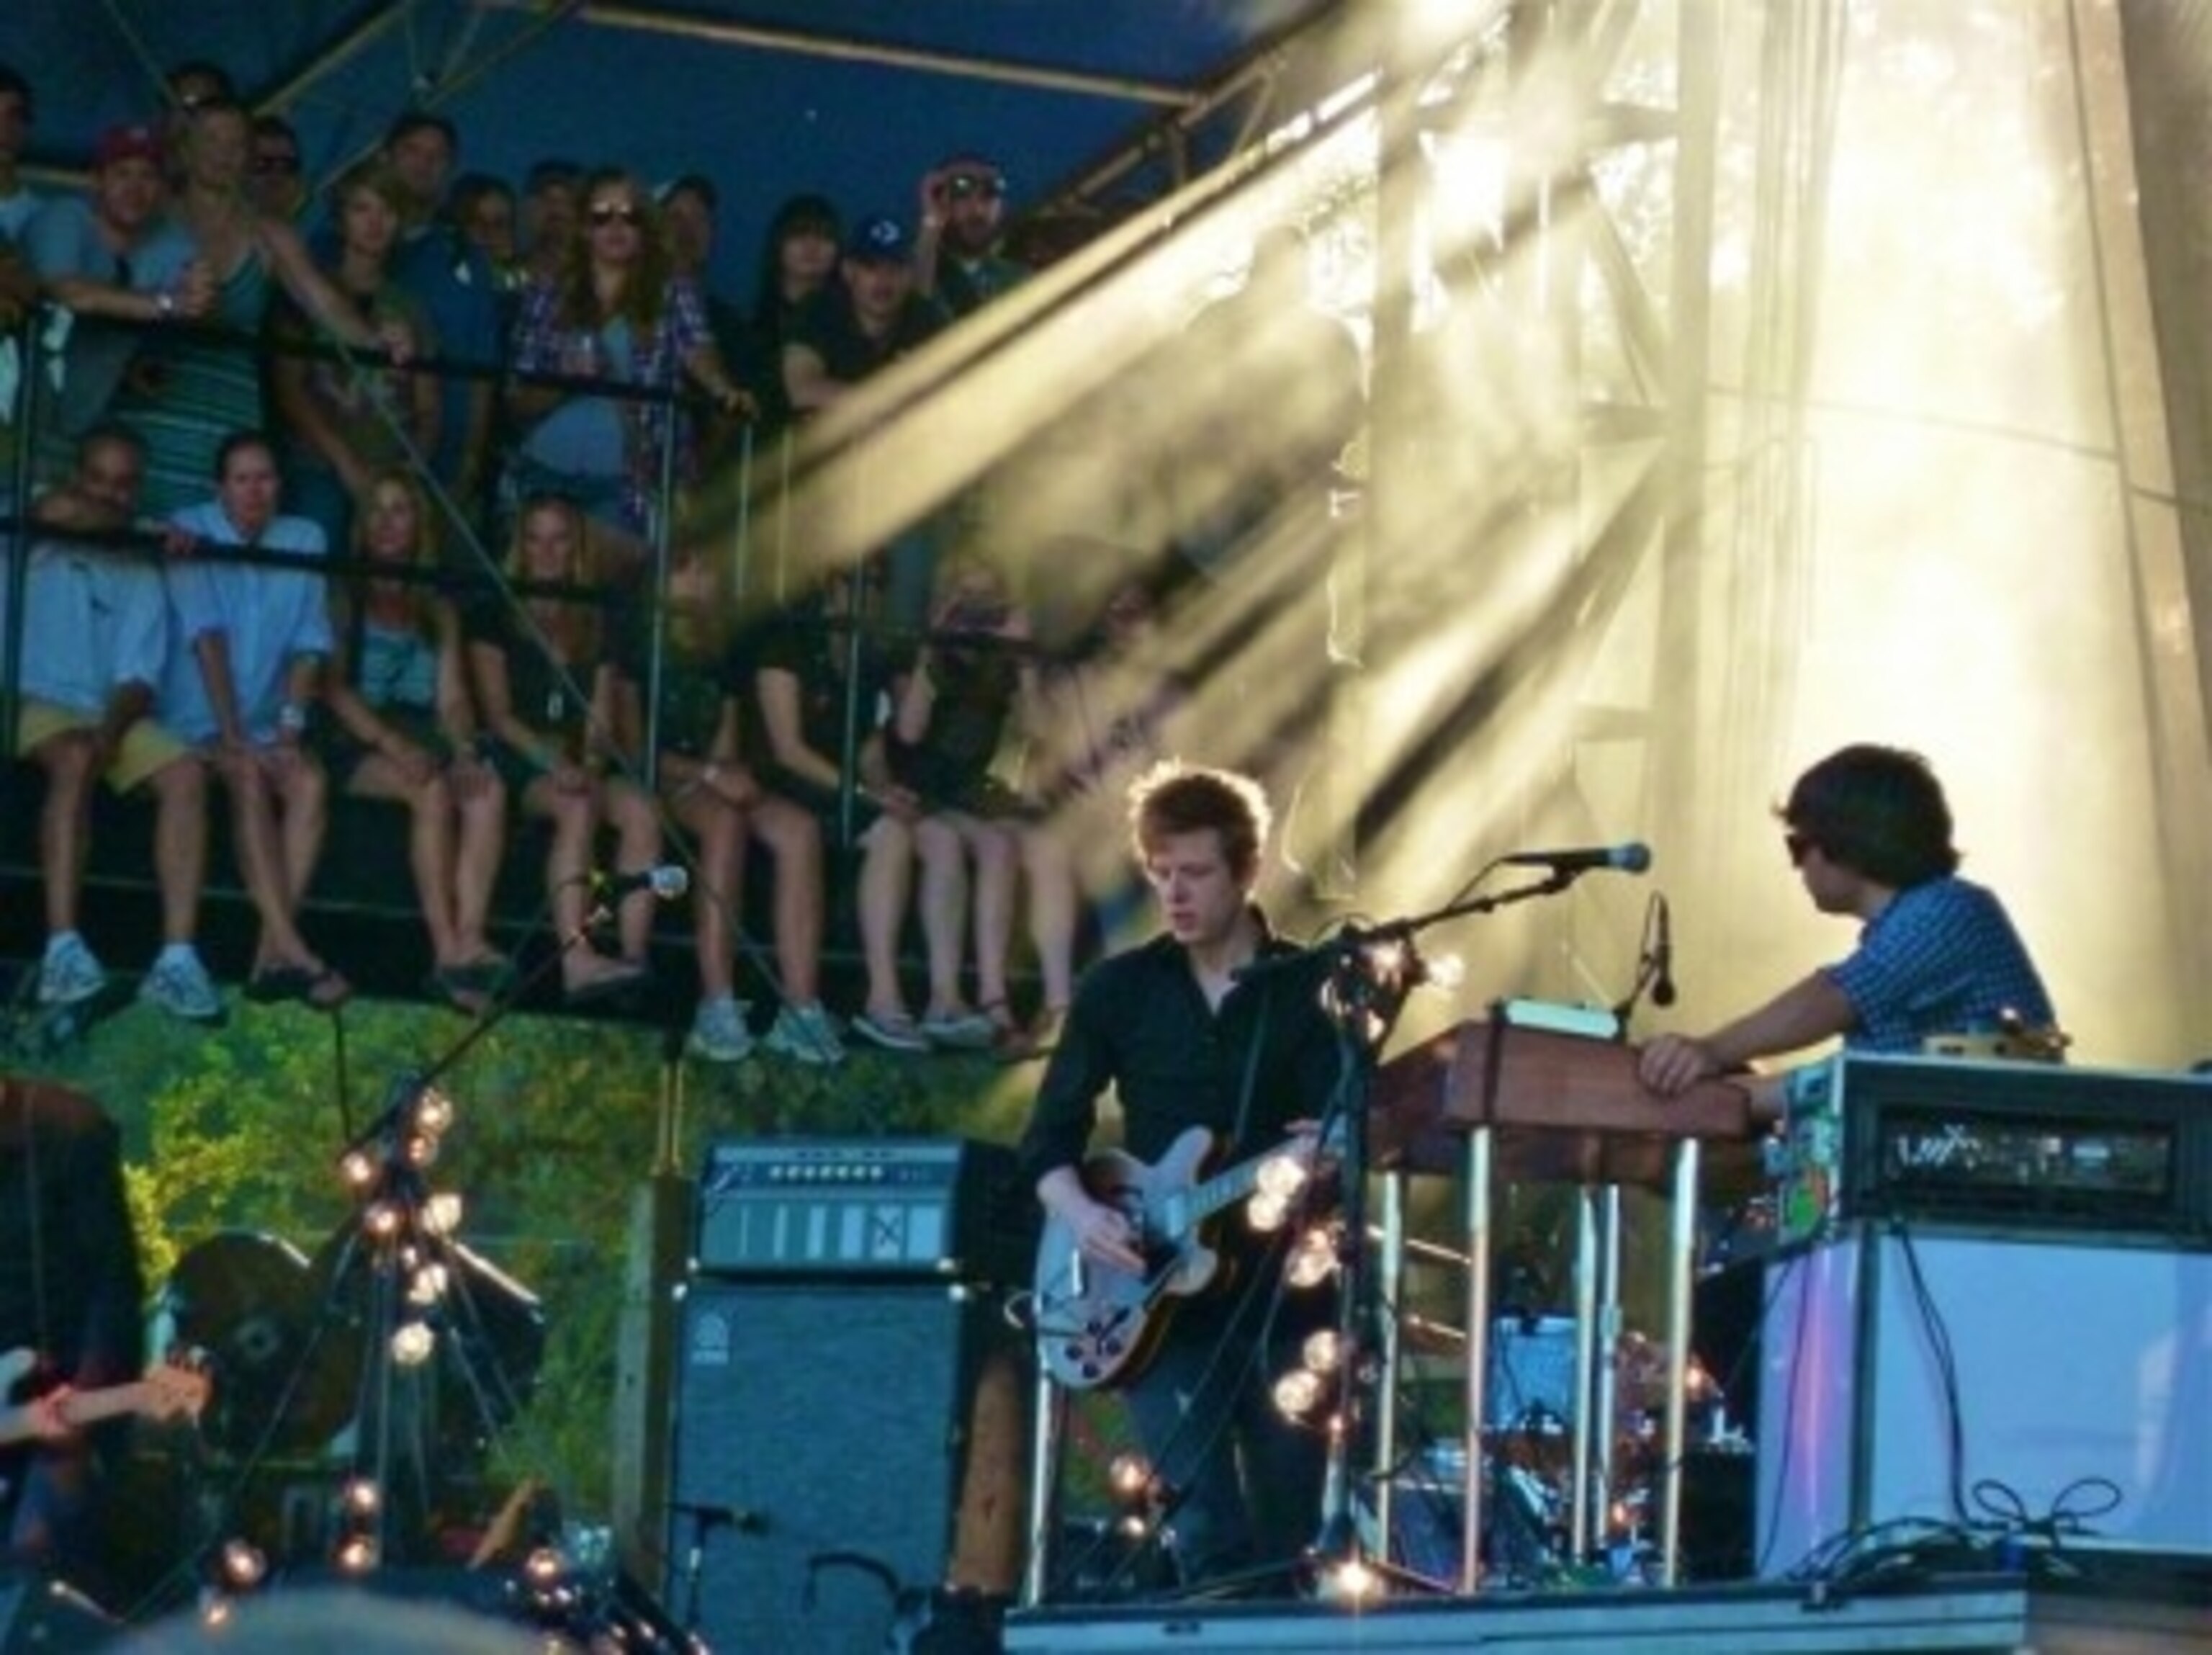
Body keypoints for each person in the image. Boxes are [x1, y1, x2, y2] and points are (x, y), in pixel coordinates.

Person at [1017, 761, 1344, 1591]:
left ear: (1248, 870)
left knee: (1289, 1532)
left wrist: (1327, 1154)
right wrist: (1084, 1218)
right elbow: (1049, 1139)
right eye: (1160, 874)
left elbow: (1340, 1132)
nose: (1174, 892)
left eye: (1194, 872)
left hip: (1280, 1295)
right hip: (1153, 1304)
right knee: (1201, 1526)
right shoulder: (1118, 989)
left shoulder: (1311, 987)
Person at [1637, 743, 2058, 1111]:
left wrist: (1709, 1052)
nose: (1798, 867)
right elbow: (1841, 1086)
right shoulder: (1905, 931)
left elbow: (1835, 995)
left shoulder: (1948, 910)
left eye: (1799, 846)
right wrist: (1692, 1096)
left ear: (1846, 840)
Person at [4, 425, 223, 1021]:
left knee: (184, 772)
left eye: (125, 484)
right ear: (78, 476)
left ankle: (178, 957)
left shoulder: (143, 567)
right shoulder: (39, 520)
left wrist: (110, 732)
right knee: (74, 757)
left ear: (140, 487)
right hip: (27, 695)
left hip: (102, 711)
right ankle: (62, 949)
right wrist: (147, 531)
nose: (109, 494)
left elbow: (138, 678)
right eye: (98, 479)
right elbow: (61, 510)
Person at [618, 542, 843, 1064]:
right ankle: (716, 1000)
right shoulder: (638, 648)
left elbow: (726, 731)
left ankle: (801, 1006)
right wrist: (708, 775)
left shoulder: (723, 648)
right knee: (724, 822)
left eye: (703, 571)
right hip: (662, 777)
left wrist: (720, 772)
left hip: (710, 775)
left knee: (800, 828)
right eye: (687, 571)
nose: (702, 581)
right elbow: (634, 748)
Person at [160, 429, 352, 1009]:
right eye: (241, 479)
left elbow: (309, 646)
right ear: (220, 486)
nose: (254, 491)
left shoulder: (304, 536)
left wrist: (290, 733)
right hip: (193, 721)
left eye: (265, 477)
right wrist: (236, 738)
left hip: (269, 724)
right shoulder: (190, 527)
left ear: (280, 484)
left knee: (310, 779)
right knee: (245, 776)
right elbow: (206, 638)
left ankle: (271, 950)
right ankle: (294, 948)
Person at [320, 469, 511, 1013]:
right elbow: (332, 687)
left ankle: (472, 935)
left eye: (399, 509)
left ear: (419, 525)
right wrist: (391, 744)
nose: (386, 522)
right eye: (376, 509)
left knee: (487, 787)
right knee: (427, 787)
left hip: (424, 734)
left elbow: (452, 699)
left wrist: (465, 749)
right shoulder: (343, 593)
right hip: (357, 737)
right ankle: (445, 947)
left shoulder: (438, 608)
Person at [465, 493, 659, 1002]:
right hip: (524, 761)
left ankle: (634, 957)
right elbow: (499, 716)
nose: (547, 552)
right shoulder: (494, 614)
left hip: (580, 762)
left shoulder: (598, 615)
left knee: (641, 808)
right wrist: (557, 764)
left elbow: (600, 716)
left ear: (576, 546)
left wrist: (590, 763)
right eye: (535, 539)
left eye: (559, 539)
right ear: (521, 546)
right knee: (576, 803)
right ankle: (577, 958)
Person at [505, 167, 749, 544]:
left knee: (609, 590)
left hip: (629, 481)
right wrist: (565, 382)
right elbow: (516, 399)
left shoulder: (672, 291)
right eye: (602, 216)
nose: (616, 226)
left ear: (646, 228)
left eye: (630, 216)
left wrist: (720, 388)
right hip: (544, 473)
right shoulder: (548, 293)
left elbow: (697, 348)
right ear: (584, 227)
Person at [0, 1078, 147, 1582]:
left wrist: (85, 1413)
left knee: (33, 1560)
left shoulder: (68, 1129)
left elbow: (115, 1291)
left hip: (58, 1415)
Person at [912, 152, 1028, 319]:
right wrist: (932, 222)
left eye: (988, 195)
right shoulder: (918, 275)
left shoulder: (1017, 278)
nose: (977, 210)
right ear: (938, 201)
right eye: (962, 196)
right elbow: (912, 314)